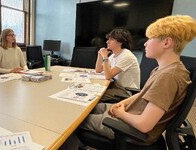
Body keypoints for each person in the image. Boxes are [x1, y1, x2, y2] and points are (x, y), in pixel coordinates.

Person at [60, 15, 196, 150]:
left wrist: (121, 114)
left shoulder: (168, 76)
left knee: (72, 119)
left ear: (166, 42)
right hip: (131, 113)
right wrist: (123, 103)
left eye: (149, 39)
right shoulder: (165, 69)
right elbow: (143, 93)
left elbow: (144, 125)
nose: (145, 43)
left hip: (131, 131)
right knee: (85, 108)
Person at [95, 29, 140, 102]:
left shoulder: (127, 56)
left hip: (126, 91)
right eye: (108, 39)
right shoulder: (114, 55)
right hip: (115, 87)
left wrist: (105, 57)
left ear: (120, 42)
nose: (107, 42)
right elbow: (98, 70)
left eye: (111, 39)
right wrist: (99, 55)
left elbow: (108, 76)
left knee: (96, 95)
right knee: (94, 90)